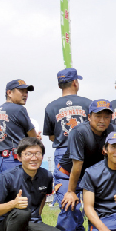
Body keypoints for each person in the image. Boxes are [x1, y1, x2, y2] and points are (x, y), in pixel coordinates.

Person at [0, 137, 68, 231]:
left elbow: (43, 197)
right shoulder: (7, 177)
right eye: (28, 154)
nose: (33, 158)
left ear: (42, 156)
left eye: (37, 153)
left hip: (32, 223)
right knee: (22, 212)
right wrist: (13, 204)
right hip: (6, 226)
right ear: (19, 157)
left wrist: (38, 214)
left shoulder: (46, 176)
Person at [56, 99, 116, 231]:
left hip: (91, 177)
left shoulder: (113, 131)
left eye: (106, 116)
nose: (102, 120)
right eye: (98, 116)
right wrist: (71, 192)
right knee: (70, 204)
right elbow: (77, 165)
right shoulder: (79, 132)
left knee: (102, 204)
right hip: (68, 175)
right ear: (89, 117)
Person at [43, 68, 91, 209]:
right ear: (75, 82)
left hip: (63, 151)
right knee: (93, 195)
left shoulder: (51, 107)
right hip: (86, 151)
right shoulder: (88, 103)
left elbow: (52, 136)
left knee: (67, 198)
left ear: (59, 85)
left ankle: (72, 229)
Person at [0, 79, 40, 182]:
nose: (25, 94)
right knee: (21, 196)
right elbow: (33, 137)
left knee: (1, 197)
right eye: (21, 91)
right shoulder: (18, 109)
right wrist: (37, 138)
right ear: (9, 93)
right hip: (13, 160)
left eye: (26, 92)